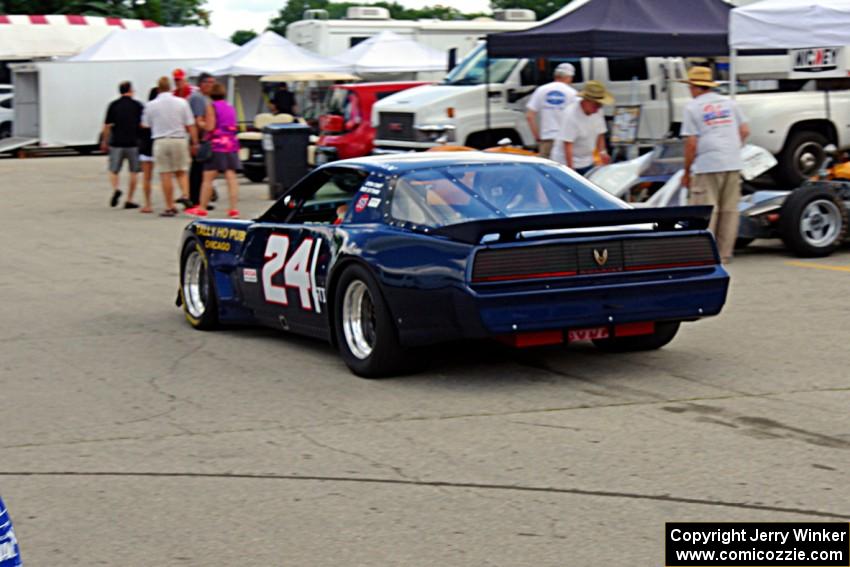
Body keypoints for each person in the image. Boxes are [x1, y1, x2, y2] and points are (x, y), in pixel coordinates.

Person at [680, 66, 750, 264]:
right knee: (729, 210)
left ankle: (705, 254)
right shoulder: (729, 103)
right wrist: (732, 149)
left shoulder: (692, 107)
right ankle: (724, 253)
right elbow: (744, 130)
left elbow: (691, 143)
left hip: (708, 163)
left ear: (694, 86)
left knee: (706, 210)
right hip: (733, 161)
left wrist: (686, 171)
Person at [141, 76, 199, 217]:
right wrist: (195, 142)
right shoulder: (182, 103)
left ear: (158, 88)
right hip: (179, 139)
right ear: (170, 87)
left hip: (160, 140)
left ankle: (169, 206)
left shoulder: (151, 105)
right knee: (182, 171)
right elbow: (190, 124)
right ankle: (185, 194)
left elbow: (145, 124)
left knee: (165, 174)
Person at [186, 82, 241, 218]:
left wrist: (200, 122)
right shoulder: (230, 107)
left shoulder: (212, 107)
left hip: (217, 145)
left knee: (208, 178)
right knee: (231, 176)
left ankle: (202, 207)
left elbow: (210, 127)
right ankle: (233, 208)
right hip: (231, 144)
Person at [554, 80, 614, 175]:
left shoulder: (598, 111)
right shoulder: (570, 114)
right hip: (565, 162)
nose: (598, 108)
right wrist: (571, 170)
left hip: (586, 160)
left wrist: (602, 152)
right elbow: (568, 144)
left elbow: (600, 133)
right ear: (586, 100)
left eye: (600, 105)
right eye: (596, 105)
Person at [101, 81, 144, 208]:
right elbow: (142, 124)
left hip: (116, 143)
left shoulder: (113, 105)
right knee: (134, 172)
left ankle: (116, 189)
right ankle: (129, 200)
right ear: (130, 90)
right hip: (133, 143)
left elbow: (107, 126)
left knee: (113, 170)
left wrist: (105, 141)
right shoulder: (138, 105)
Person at [526, 63, 577, 159]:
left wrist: (537, 137)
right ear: (569, 77)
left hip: (547, 138)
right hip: (565, 139)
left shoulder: (541, 90)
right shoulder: (572, 94)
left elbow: (529, 116)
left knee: (545, 170)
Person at [187, 72, 216, 207]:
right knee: (198, 169)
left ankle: (200, 198)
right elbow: (197, 120)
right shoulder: (198, 98)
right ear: (201, 84)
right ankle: (196, 199)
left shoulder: (206, 98)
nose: (211, 85)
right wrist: (196, 141)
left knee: (202, 169)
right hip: (200, 137)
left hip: (203, 137)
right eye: (208, 82)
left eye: (212, 82)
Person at [136, 86, 159, 213]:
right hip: (159, 143)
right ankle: (171, 202)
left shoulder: (146, 109)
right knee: (168, 174)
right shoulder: (162, 111)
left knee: (147, 177)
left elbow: (142, 126)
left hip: (146, 146)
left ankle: (148, 203)